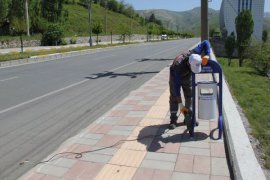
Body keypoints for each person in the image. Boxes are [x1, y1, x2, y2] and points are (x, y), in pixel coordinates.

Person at [169, 40, 211, 129]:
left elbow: (206, 42)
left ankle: (188, 116)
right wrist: (181, 104)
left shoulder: (194, 53)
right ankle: (173, 119)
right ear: (189, 64)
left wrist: (207, 54)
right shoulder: (178, 66)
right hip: (175, 75)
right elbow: (177, 90)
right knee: (174, 97)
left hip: (187, 75)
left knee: (190, 96)